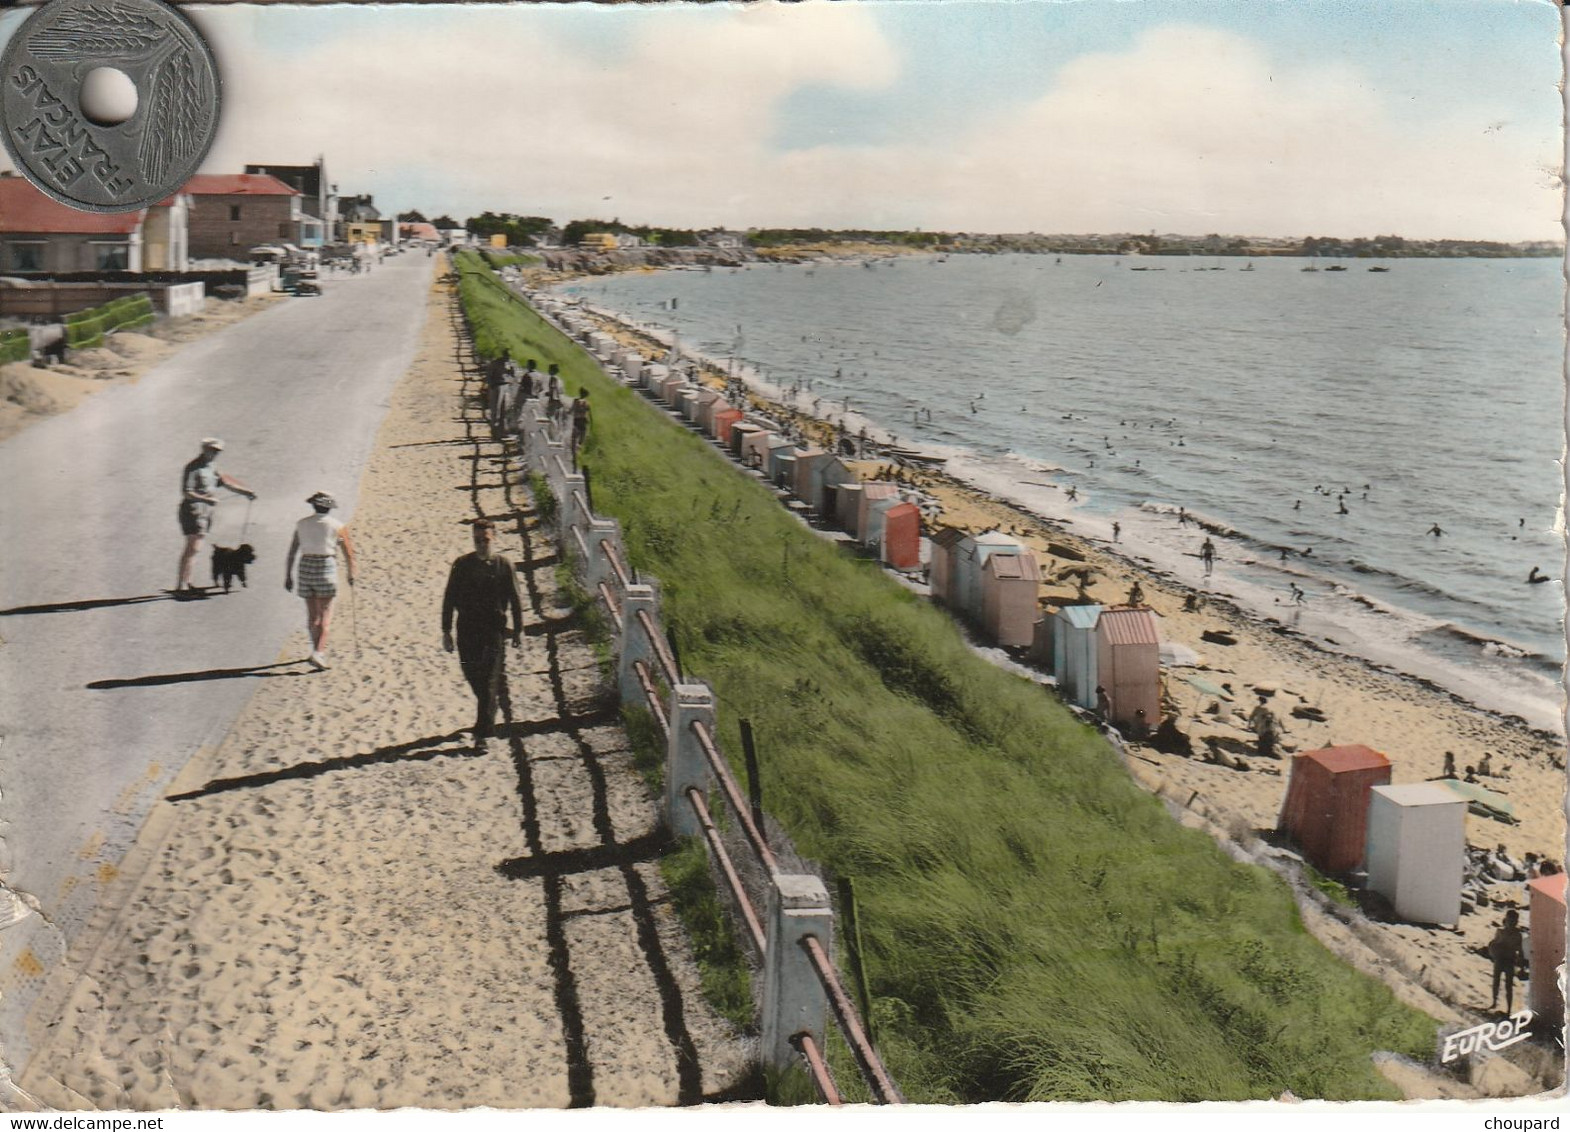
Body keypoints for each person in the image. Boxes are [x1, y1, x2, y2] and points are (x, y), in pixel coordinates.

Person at [442, 519, 523, 745]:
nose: (481, 544)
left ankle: (482, 734)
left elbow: (516, 600)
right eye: (477, 540)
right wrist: (446, 630)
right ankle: (488, 710)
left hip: (493, 631)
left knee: (488, 682)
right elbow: (449, 599)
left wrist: (518, 630)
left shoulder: (504, 566)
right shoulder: (461, 565)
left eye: (485, 540)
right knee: (473, 677)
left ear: (494, 538)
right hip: (467, 630)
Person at [283, 492, 357, 670]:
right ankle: (318, 652)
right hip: (326, 566)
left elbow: (292, 551)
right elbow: (348, 552)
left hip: (306, 566)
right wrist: (351, 573)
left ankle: (316, 649)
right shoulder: (337, 526)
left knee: (312, 614)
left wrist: (288, 575)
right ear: (329, 508)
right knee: (326, 614)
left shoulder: (301, 524)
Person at [176, 438, 257, 597]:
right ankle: (182, 586)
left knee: (195, 548)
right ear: (204, 449)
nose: (215, 453)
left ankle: (186, 583)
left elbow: (225, 483)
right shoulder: (193, 468)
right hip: (192, 511)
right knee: (193, 548)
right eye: (212, 450)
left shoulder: (211, 467)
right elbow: (186, 492)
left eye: (217, 451)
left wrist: (246, 492)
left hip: (205, 513)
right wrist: (206, 499)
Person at [1487, 909, 1525, 1014]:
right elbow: (1493, 944)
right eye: (1509, 920)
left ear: (1516, 922)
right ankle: (1494, 1002)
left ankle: (1508, 1009)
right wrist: (1492, 953)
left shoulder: (1518, 935)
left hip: (1510, 960)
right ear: (1506, 920)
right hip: (1499, 959)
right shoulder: (1500, 931)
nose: (1511, 923)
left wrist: (1521, 966)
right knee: (1496, 981)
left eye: (1513, 921)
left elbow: (1520, 950)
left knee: (1508, 985)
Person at [570, 388, 592, 453]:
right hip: (583, 420)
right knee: (583, 434)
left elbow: (571, 409)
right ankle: (579, 445)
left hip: (576, 419)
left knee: (574, 435)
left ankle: (573, 447)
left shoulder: (575, 400)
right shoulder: (587, 403)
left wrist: (568, 412)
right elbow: (588, 413)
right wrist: (589, 421)